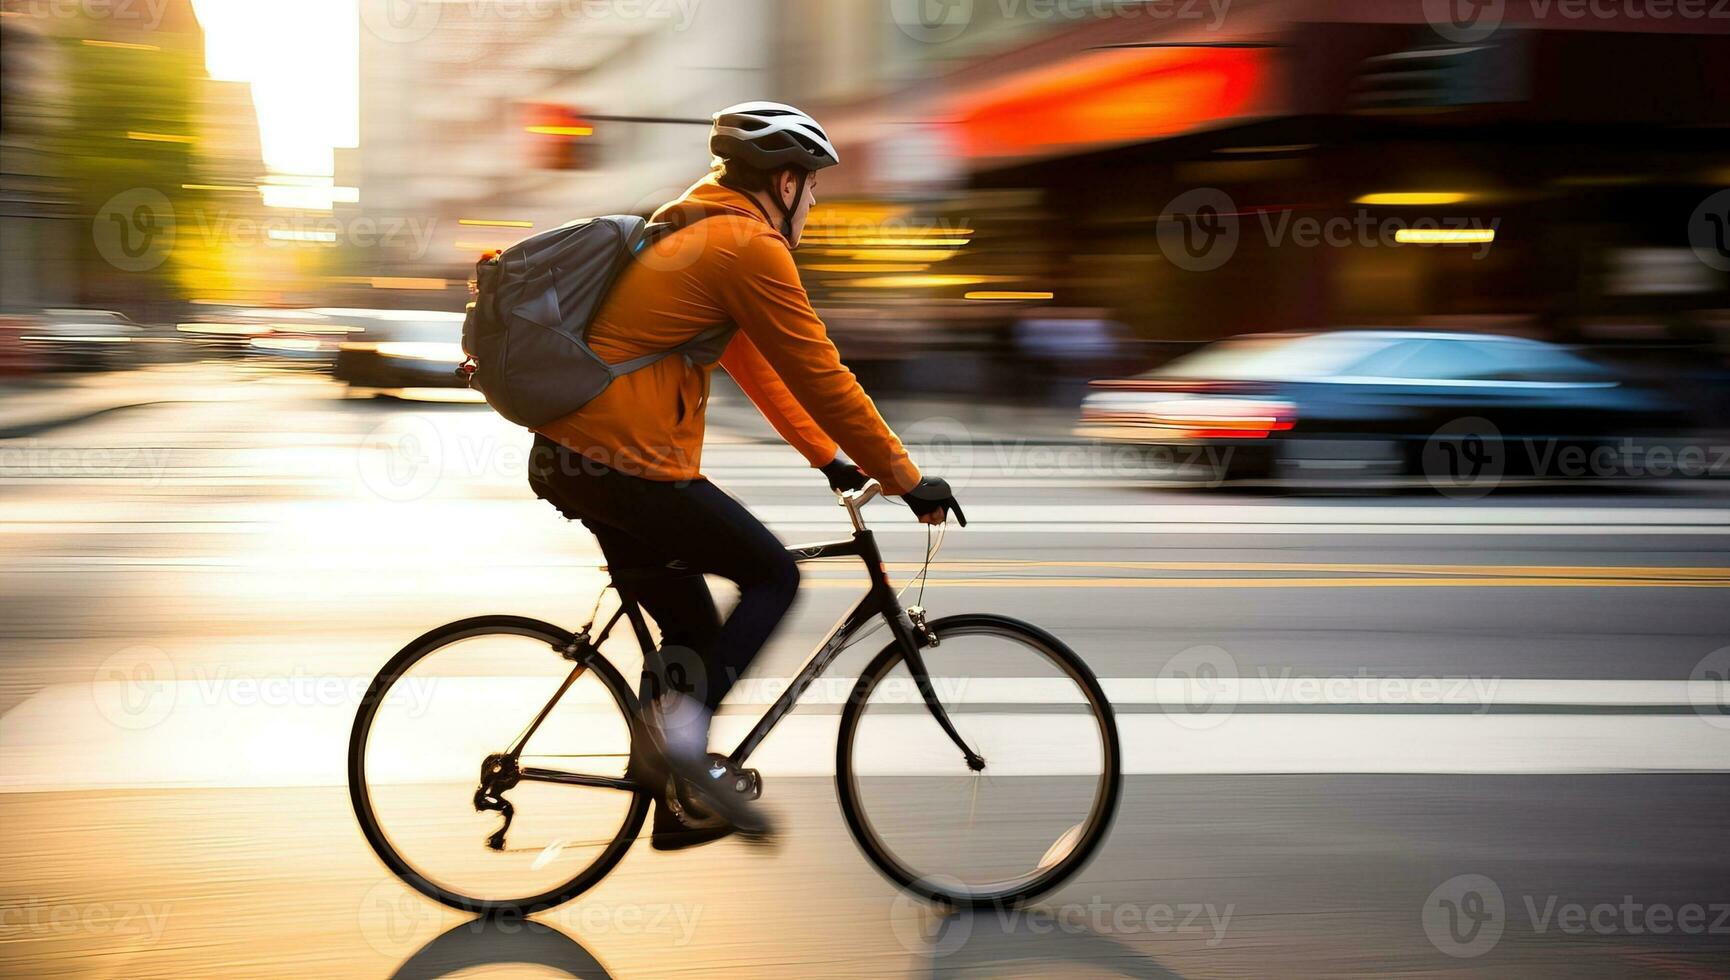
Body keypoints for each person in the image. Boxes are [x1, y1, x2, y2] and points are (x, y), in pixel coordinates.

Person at [526, 101, 965, 847]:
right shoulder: (744, 247)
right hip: (624, 462)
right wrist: (904, 476)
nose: (816, 201)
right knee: (773, 576)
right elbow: (822, 374)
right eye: (813, 185)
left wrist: (829, 460)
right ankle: (680, 747)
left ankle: (670, 792)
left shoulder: (694, 227)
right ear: (784, 181)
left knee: (692, 624)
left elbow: (757, 369)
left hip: (581, 458)